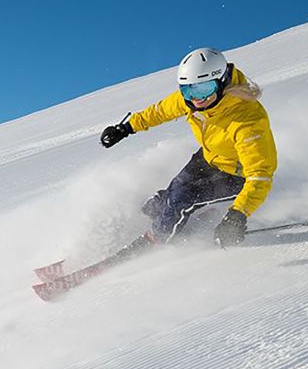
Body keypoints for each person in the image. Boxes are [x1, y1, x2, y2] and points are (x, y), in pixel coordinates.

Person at [100, 47, 277, 247]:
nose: (196, 98)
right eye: (188, 90)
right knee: (171, 192)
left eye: (204, 89)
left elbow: (260, 175)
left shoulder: (247, 120)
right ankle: (144, 219)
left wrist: (238, 215)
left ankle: (155, 242)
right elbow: (159, 112)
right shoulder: (193, 99)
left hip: (237, 175)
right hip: (210, 157)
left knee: (181, 198)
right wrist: (125, 128)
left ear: (222, 81)